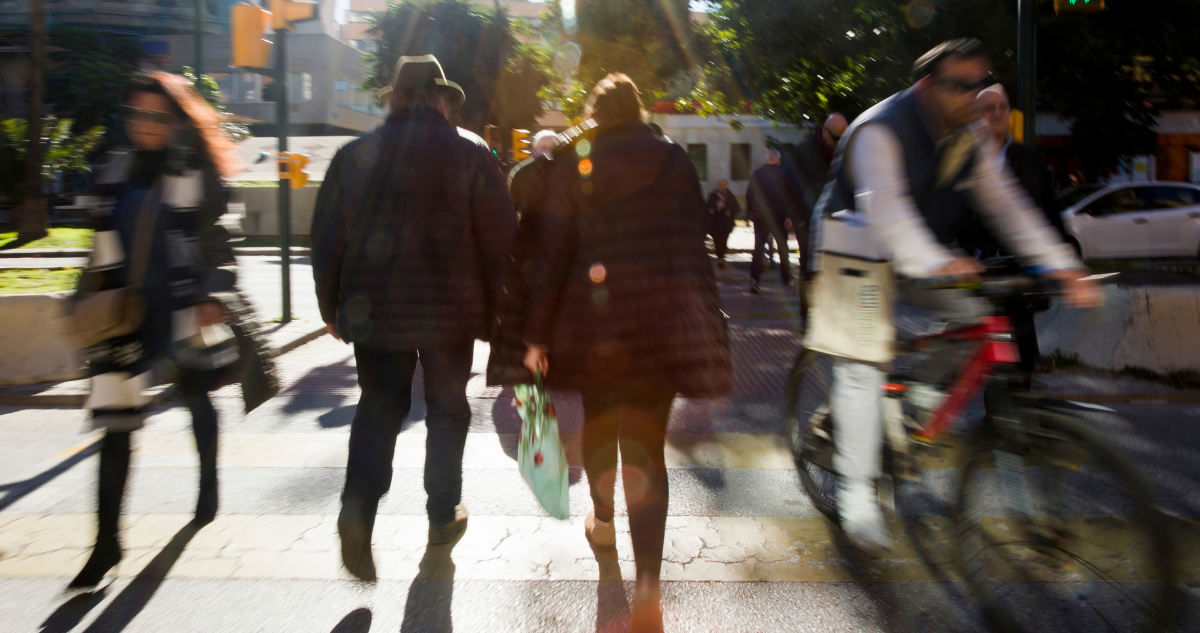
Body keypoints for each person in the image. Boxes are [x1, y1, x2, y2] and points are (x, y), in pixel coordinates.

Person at [814, 39, 1101, 553]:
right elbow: (887, 212)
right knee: (861, 362)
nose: (974, 95)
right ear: (926, 86)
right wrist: (939, 262)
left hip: (918, 246)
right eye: (960, 85)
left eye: (980, 81)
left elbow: (1006, 205)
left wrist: (1063, 267)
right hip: (853, 242)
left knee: (978, 314)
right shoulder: (883, 128)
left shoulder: (969, 135)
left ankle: (914, 403)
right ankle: (856, 492)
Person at [489, 73, 731, 633]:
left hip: (592, 327)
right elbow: (693, 243)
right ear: (639, 110)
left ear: (597, 113)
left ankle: (602, 522)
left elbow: (551, 250)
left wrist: (537, 337)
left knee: (600, 424)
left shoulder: (578, 155)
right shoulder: (674, 160)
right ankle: (648, 587)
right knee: (646, 448)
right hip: (661, 326)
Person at [311, 55, 517, 581]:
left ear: (395, 99)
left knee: (380, 406)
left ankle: (358, 508)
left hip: (374, 309)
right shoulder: (470, 152)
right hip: (450, 309)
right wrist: (502, 315)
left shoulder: (354, 154)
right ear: (441, 99)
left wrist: (329, 307)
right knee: (448, 410)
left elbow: (327, 238)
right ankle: (443, 515)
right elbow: (500, 239)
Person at [69, 72, 278, 588]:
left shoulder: (197, 169)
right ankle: (106, 543)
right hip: (122, 316)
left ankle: (208, 484)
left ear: (178, 119)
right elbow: (95, 239)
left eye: (158, 116)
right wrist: (89, 299)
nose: (145, 124)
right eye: (137, 114)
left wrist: (212, 293)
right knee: (115, 426)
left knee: (196, 399)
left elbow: (220, 241)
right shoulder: (112, 167)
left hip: (184, 309)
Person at [964, 84, 1064, 383]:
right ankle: (996, 416)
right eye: (988, 108)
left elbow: (1047, 206)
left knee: (1019, 334)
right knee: (992, 345)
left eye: (1002, 107)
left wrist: (1064, 249)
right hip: (982, 264)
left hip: (1020, 263)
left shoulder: (1027, 157)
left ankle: (1019, 407)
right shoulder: (964, 159)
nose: (996, 113)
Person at [792, 113, 847, 276]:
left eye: (842, 138)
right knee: (809, 268)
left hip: (837, 222)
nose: (839, 142)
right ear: (824, 130)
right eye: (835, 138)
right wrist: (799, 221)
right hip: (808, 222)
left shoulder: (845, 151)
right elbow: (788, 187)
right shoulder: (803, 151)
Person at [747, 149, 808, 294]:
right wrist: (789, 216)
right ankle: (786, 278)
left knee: (759, 248)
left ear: (767, 159)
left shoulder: (757, 174)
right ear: (778, 160)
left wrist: (753, 210)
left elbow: (749, 195)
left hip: (761, 215)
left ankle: (755, 279)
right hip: (779, 216)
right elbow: (790, 196)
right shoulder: (783, 174)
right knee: (782, 247)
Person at [705, 179, 741, 267]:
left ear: (726, 186)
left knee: (724, 239)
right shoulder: (713, 195)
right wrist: (710, 211)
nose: (722, 187)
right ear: (718, 186)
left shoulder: (730, 196)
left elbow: (737, 208)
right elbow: (706, 207)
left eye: (724, 185)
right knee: (717, 239)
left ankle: (722, 255)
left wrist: (730, 213)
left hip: (726, 221)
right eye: (720, 185)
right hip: (715, 220)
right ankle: (720, 257)